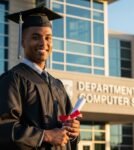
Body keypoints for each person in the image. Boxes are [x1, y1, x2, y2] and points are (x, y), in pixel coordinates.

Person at [0, 6, 81, 150]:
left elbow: (66, 128)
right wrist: (45, 135)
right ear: (23, 42)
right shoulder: (12, 79)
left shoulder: (58, 85)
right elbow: (4, 128)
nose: (43, 43)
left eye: (48, 38)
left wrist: (73, 132)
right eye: (35, 37)